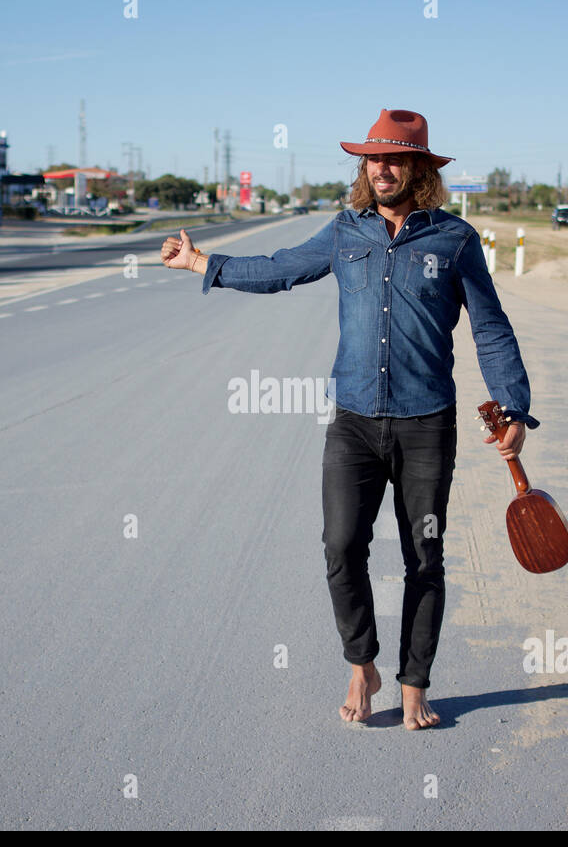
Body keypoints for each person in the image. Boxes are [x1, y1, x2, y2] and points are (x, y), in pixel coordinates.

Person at [160, 109, 538, 730]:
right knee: (340, 549)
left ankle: (414, 680)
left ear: (419, 168)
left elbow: (491, 329)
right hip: (354, 424)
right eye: (372, 158)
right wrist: (206, 265)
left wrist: (513, 404)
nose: (381, 168)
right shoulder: (344, 233)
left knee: (425, 556)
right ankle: (362, 663)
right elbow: (281, 268)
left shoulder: (456, 241)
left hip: (426, 427)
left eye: (394, 158)